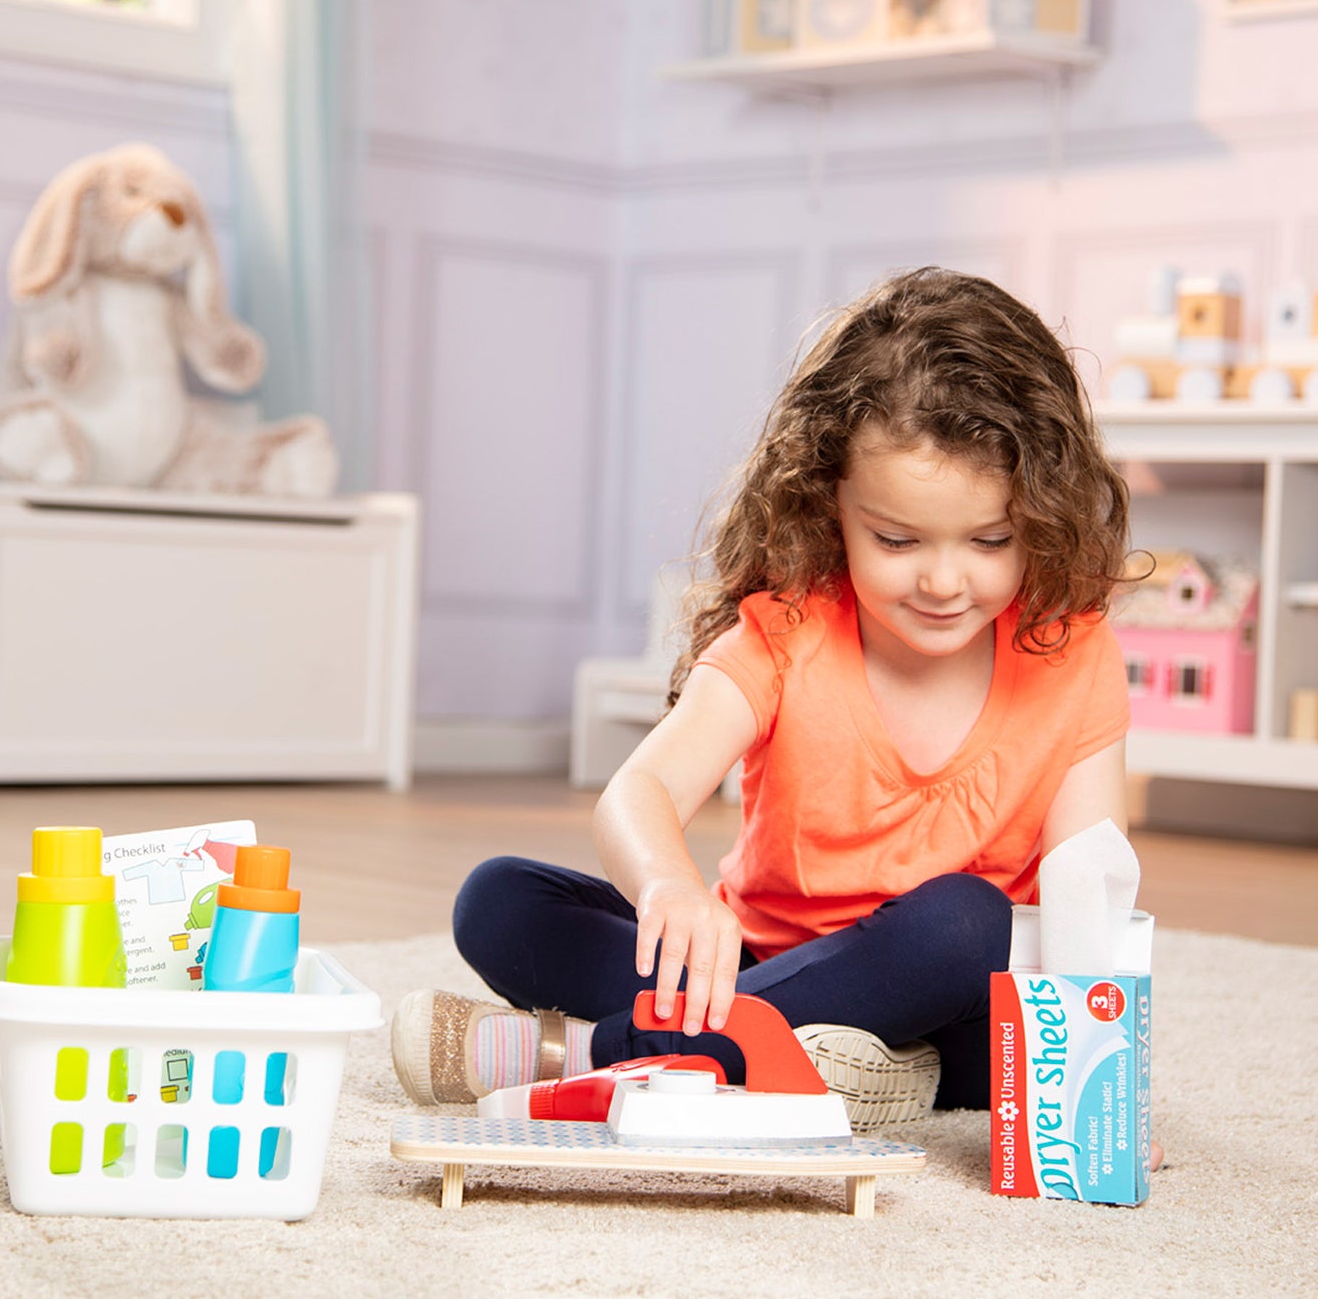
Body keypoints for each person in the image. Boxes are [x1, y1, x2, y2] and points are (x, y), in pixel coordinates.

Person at [391, 266, 1151, 1148]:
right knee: (500, 900)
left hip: (956, 1010)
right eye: (896, 539)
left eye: (990, 540)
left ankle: (610, 1050)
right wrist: (672, 887)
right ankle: (809, 1061)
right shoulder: (787, 629)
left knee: (963, 922)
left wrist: (1101, 1091)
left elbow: (1088, 902)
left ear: (1042, 515)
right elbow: (636, 795)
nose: (944, 581)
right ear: (828, 504)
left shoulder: (1072, 648)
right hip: (761, 967)